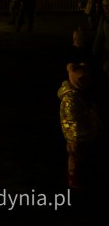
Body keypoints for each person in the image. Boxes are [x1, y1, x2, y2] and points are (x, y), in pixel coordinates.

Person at [58, 62, 102, 191]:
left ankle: (81, 178)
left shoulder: (81, 95)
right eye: (82, 79)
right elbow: (72, 120)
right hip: (76, 137)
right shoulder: (71, 98)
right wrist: (76, 137)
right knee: (75, 158)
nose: (86, 82)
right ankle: (74, 180)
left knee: (81, 158)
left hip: (84, 134)